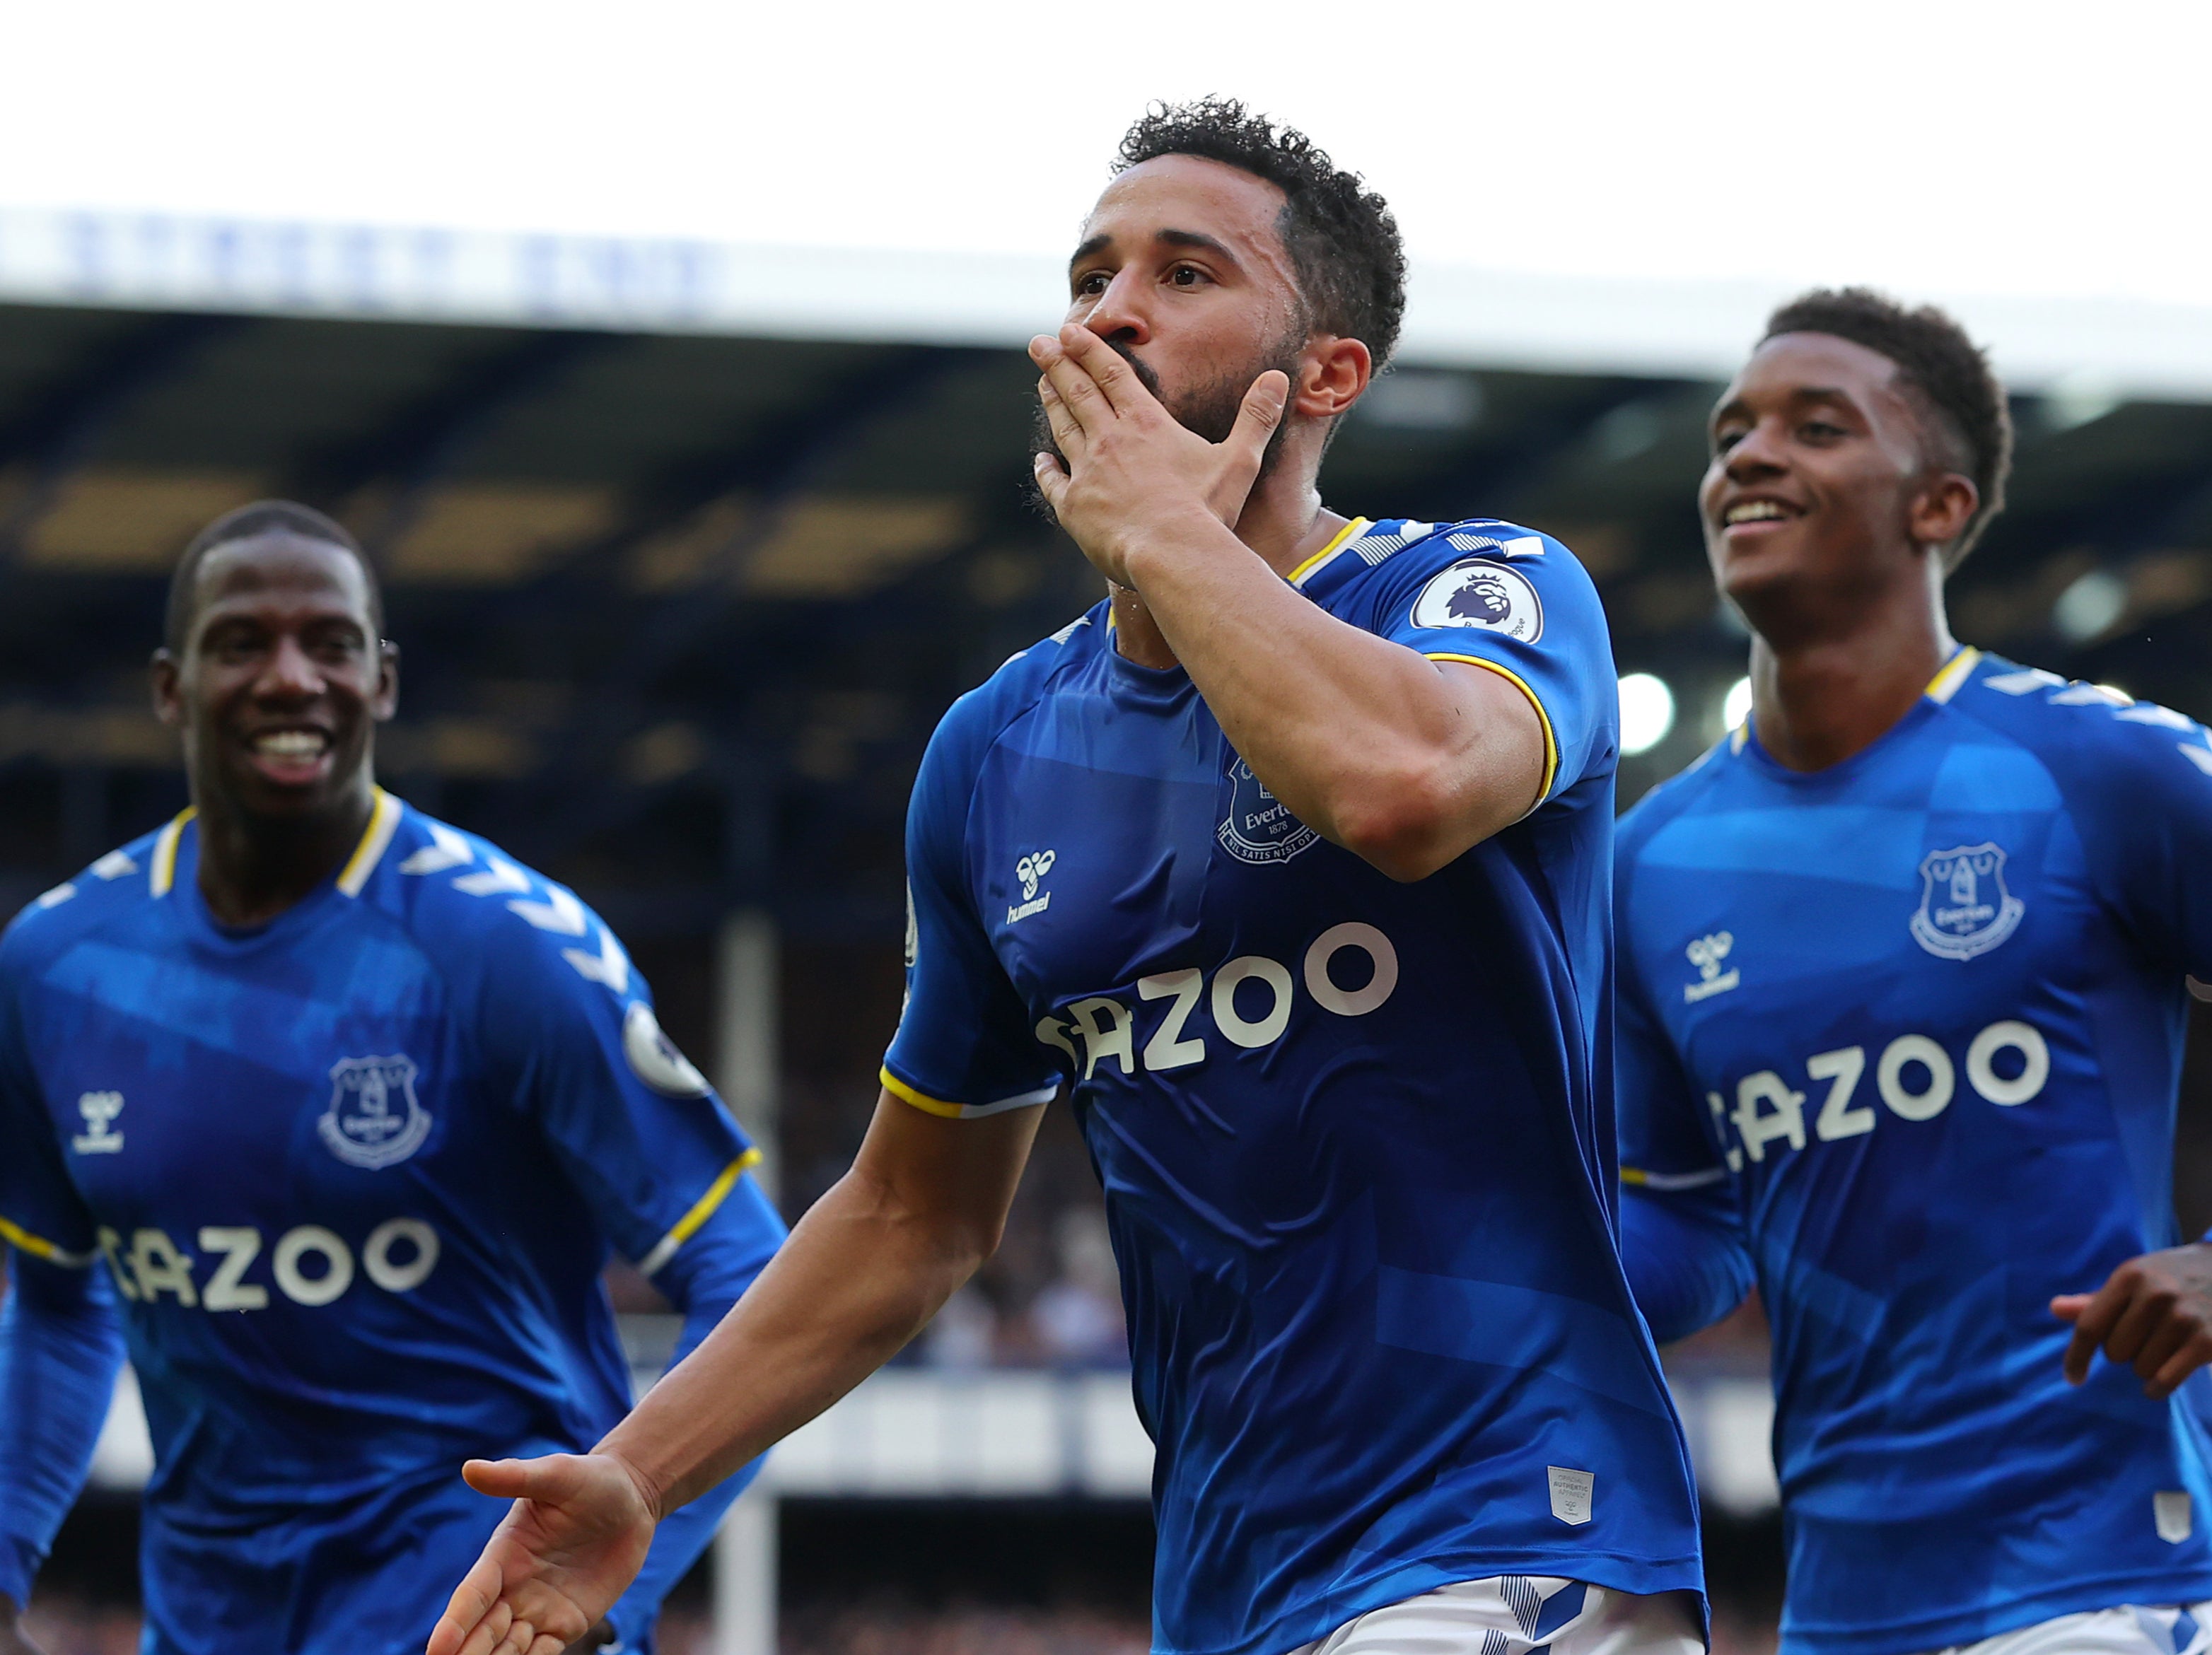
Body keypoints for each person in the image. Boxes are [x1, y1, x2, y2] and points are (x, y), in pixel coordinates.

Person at [430, 98, 1705, 1655]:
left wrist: (1176, 540)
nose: (1108, 311)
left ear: (1325, 375)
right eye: (1091, 272)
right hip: (1231, 1582)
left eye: (1183, 273)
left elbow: (1406, 786)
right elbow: (910, 1215)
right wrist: (638, 1470)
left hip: (1518, 1524)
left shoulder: (1475, 593)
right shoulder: (999, 750)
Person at [0, 501, 786, 1655]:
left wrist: (611, 1580)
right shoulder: (57, 966)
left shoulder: (504, 948)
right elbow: (61, 1304)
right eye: (242, 642)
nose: (290, 677)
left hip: (473, 1624)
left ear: (383, 681)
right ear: (170, 686)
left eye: (330, 643)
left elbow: (749, 1271)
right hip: (208, 1626)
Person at [1615, 288, 2212, 1654]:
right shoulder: (1651, 862)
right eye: (1731, 432)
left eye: (1816, 427)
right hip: (1841, 1603)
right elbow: (1693, 1223)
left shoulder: (2093, 770)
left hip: (2107, 1580)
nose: (1748, 457)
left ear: (1938, 504)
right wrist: (1509, 1267)